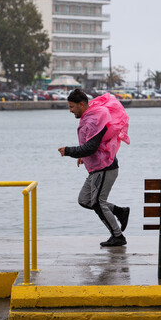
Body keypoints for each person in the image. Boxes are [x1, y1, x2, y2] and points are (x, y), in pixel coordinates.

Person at [58, 89, 130, 247]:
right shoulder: (89, 115)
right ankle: (119, 211)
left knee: (97, 202)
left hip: (105, 167)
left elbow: (91, 146)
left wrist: (70, 151)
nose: (70, 111)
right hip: (96, 168)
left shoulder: (94, 119)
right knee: (84, 200)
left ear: (81, 104)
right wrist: (83, 157)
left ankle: (118, 236)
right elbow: (92, 146)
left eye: (71, 107)